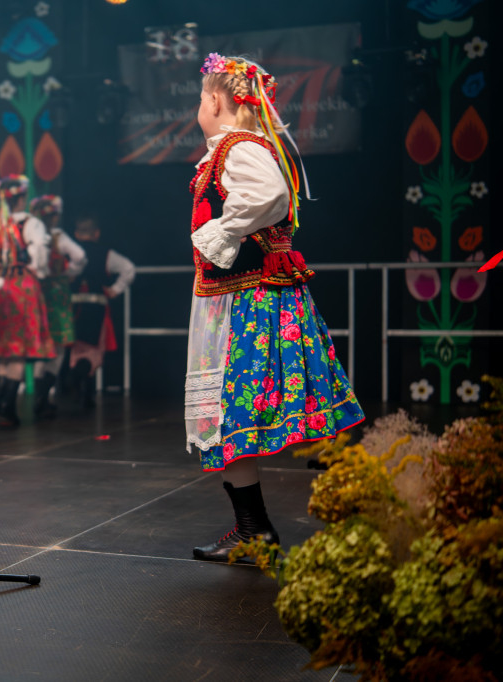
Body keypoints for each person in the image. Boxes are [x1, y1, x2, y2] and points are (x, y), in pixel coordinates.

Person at [186, 53, 365, 562]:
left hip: (255, 301)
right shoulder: (232, 150)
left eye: (201, 98)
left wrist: (221, 232)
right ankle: (254, 528)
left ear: (217, 100)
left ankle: (334, 508)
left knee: (241, 410)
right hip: (237, 298)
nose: (199, 107)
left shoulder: (242, 148)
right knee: (231, 417)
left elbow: (270, 195)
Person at [0, 175, 55, 427]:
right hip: (21, 288)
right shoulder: (32, 224)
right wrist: (38, 271)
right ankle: (6, 402)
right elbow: (40, 254)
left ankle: (1, 398)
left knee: (5, 349)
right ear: (22, 197)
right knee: (17, 347)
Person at [28, 195, 86, 419]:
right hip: (57, 293)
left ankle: (39, 397)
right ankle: (43, 397)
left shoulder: (29, 235)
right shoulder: (58, 237)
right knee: (59, 345)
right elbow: (80, 257)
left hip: (37, 291)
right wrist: (67, 273)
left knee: (43, 344)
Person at [69, 215, 135, 408]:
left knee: (77, 350)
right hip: (95, 307)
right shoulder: (105, 253)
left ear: (76, 234)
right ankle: (82, 389)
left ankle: (82, 390)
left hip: (72, 308)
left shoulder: (71, 254)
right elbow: (128, 269)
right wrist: (115, 289)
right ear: (96, 233)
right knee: (93, 353)